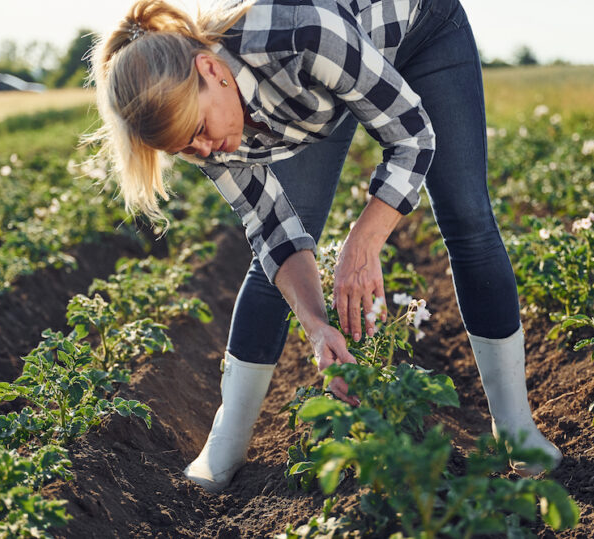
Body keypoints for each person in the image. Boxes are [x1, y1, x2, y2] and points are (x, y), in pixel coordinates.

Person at [90, 0, 562, 492]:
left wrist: (364, 245)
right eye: (186, 149)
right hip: (322, 92)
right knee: (278, 252)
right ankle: (225, 443)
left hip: (419, 29)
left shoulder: (300, 37)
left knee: (467, 217)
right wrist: (317, 328)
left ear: (210, 68)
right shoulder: (197, 124)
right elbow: (273, 229)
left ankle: (517, 429)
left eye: (201, 134)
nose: (205, 152)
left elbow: (414, 137)